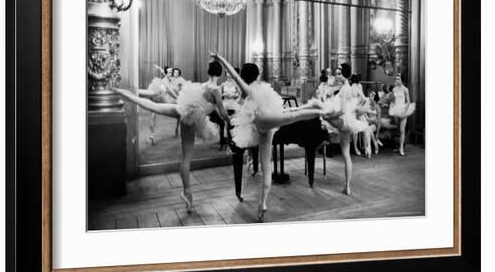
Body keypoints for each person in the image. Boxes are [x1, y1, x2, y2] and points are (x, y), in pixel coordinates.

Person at [211, 52, 339, 222]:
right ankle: (262, 203)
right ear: (257, 75)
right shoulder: (258, 89)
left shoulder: (248, 90)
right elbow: (239, 90)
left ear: (243, 77)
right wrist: (220, 58)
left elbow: (235, 79)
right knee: (291, 116)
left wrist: (221, 58)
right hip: (265, 124)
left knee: (289, 119)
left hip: (262, 126)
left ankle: (319, 109)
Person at [116, 60, 231, 213]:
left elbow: (207, 104)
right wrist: (231, 121)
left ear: (208, 72)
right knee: (186, 158)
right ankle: (187, 194)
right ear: (220, 73)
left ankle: (126, 95)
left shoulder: (203, 85)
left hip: (185, 109)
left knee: (156, 107)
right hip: (193, 118)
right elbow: (222, 112)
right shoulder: (216, 89)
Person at [320, 64, 368, 195]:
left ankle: (322, 130)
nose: (337, 75)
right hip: (349, 122)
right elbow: (354, 104)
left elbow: (341, 111)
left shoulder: (344, 90)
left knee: (322, 115)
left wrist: (328, 116)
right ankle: (347, 186)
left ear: (345, 75)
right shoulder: (351, 88)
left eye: (339, 73)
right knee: (346, 155)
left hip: (343, 121)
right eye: (336, 73)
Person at [138, 65, 179, 144]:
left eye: (171, 72)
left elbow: (164, 74)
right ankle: (152, 135)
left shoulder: (169, 78)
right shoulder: (164, 80)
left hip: (160, 98)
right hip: (160, 97)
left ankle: (153, 134)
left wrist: (160, 69)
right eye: (169, 72)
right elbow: (170, 91)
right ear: (167, 73)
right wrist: (177, 98)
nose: (171, 73)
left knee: (153, 115)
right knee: (153, 114)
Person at [388, 73, 416, 156]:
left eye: (398, 79)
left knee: (401, 130)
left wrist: (404, 112)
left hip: (404, 110)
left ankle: (401, 149)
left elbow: (408, 102)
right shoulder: (394, 89)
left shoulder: (405, 89)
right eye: (396, 79)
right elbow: (393, 100)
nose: (397, 80)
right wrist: (391, 107)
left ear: (402, 80)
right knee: (398, 130)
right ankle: (400, 146)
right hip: (396, 110)